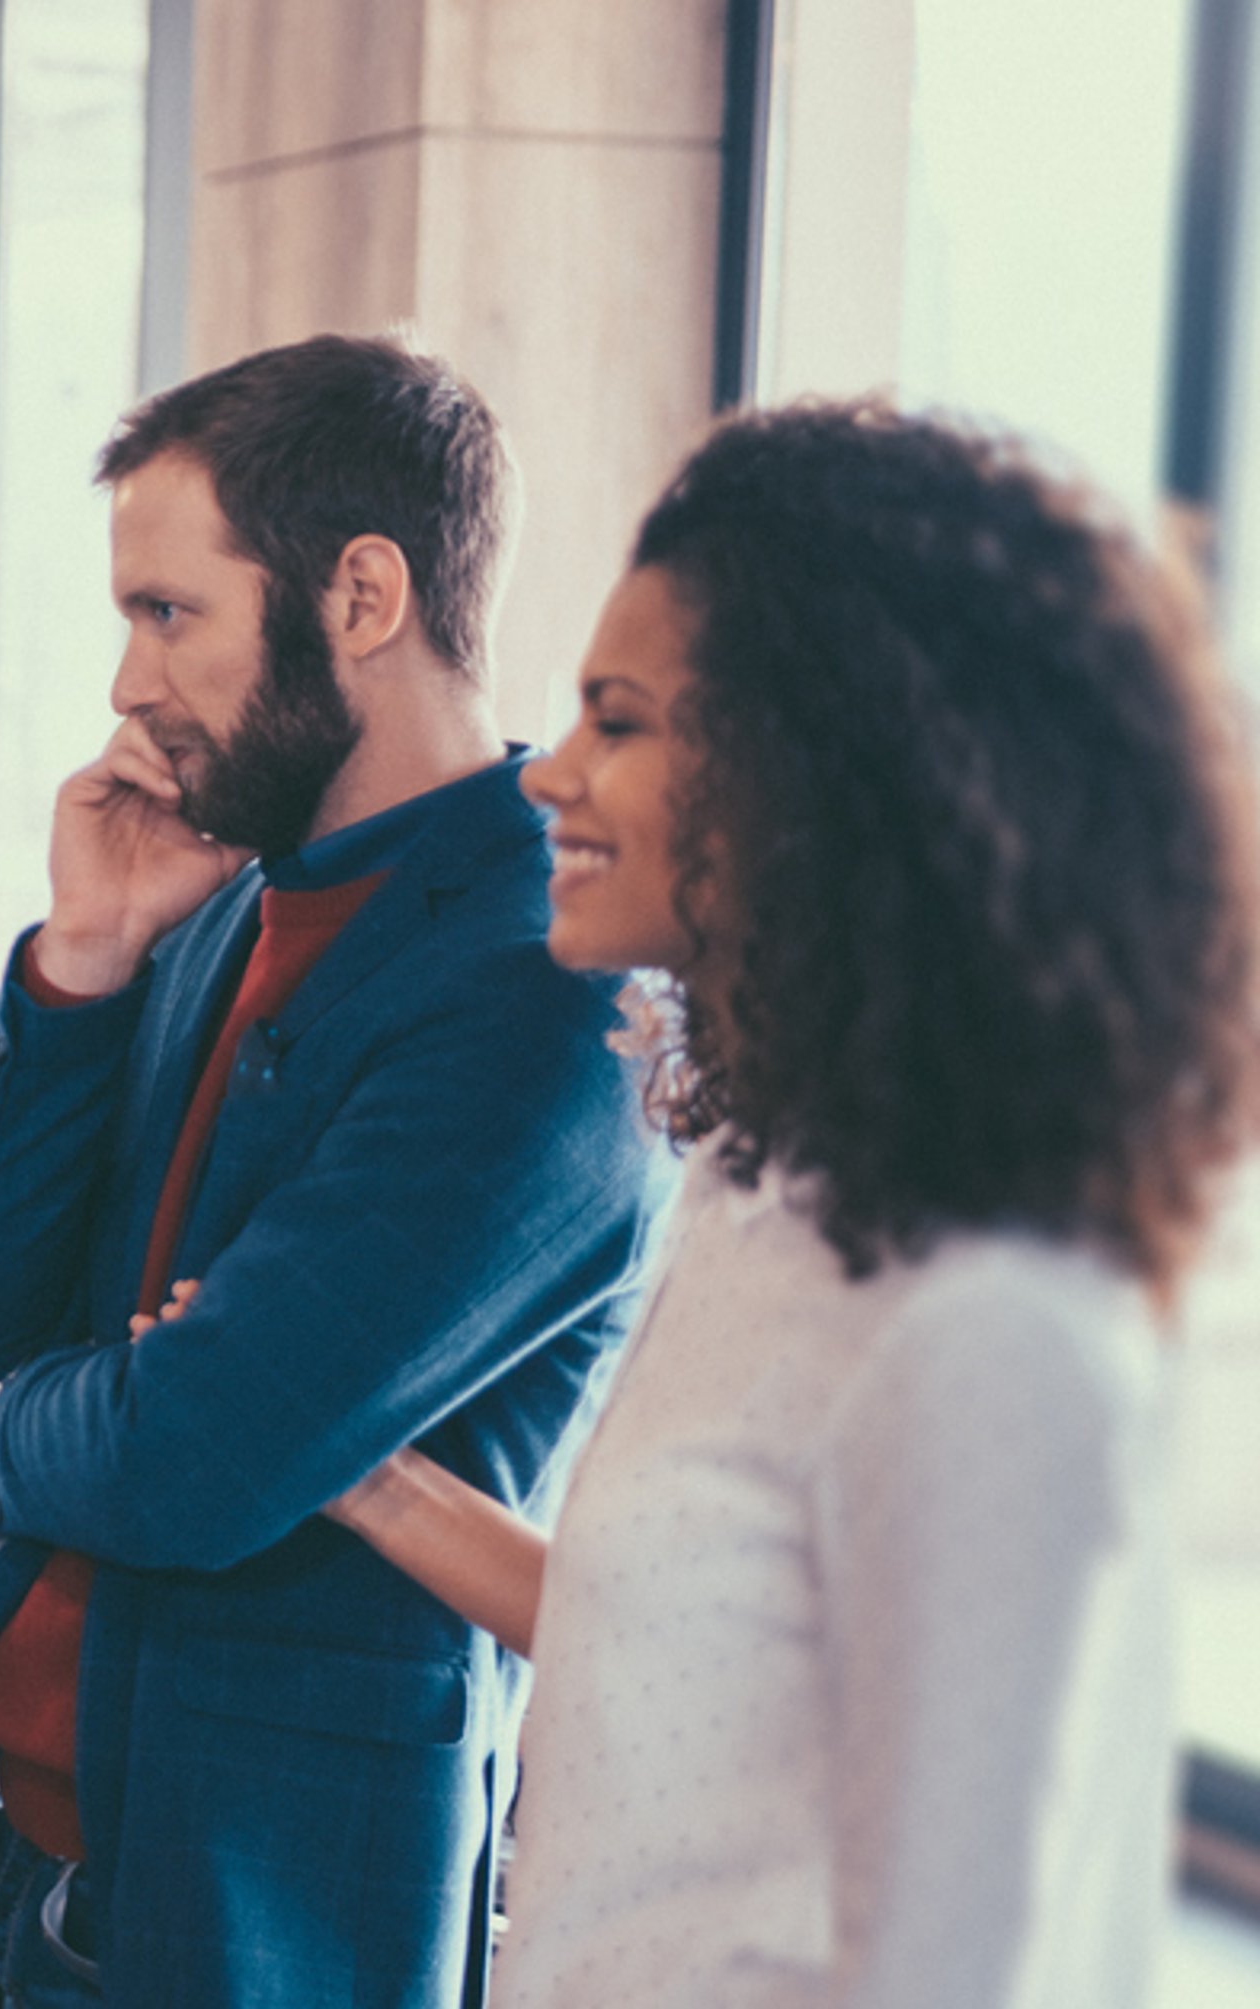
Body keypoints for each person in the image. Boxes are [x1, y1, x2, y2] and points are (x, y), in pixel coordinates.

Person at [317, 400, 1258, 2007]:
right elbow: (699, 1645)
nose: (550, 772)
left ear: (822, 775)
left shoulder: (992, 1326)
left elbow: (965, 1973)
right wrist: (370, 1480)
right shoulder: (762, 1191)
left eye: (620, 719)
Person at [0, 334, 666, 2007]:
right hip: (69, 1869)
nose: (128, 684)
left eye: (169, 613)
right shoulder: (217, 893)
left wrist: (14, 1434)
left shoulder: (545, 986)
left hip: (274, 1911)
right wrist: (80, 960)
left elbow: (193, 1460)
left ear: (362, 596)